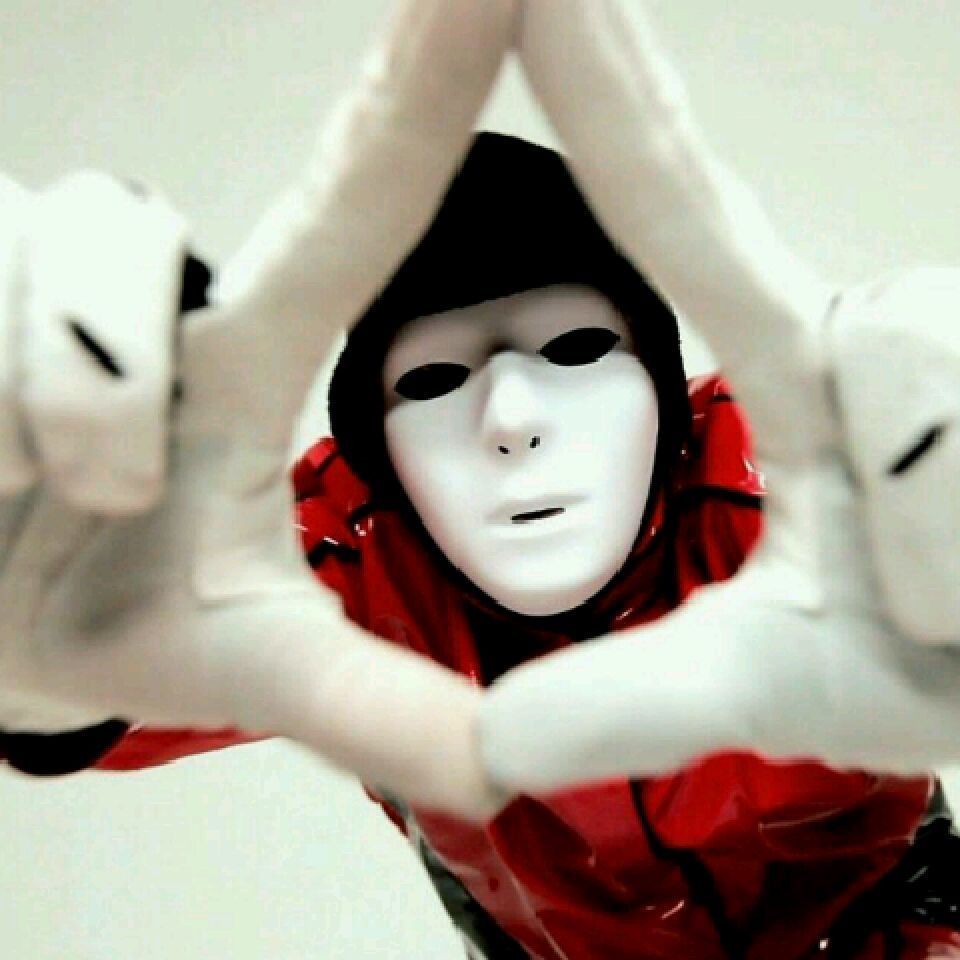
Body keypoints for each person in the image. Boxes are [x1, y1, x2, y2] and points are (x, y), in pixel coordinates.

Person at [16, 130, 960, 960]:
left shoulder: (799, 476)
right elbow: (89, 674)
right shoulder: (343, 559)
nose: (510, 420)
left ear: (661, 386)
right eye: (433, 379)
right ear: (375, 448)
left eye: (575, 351)